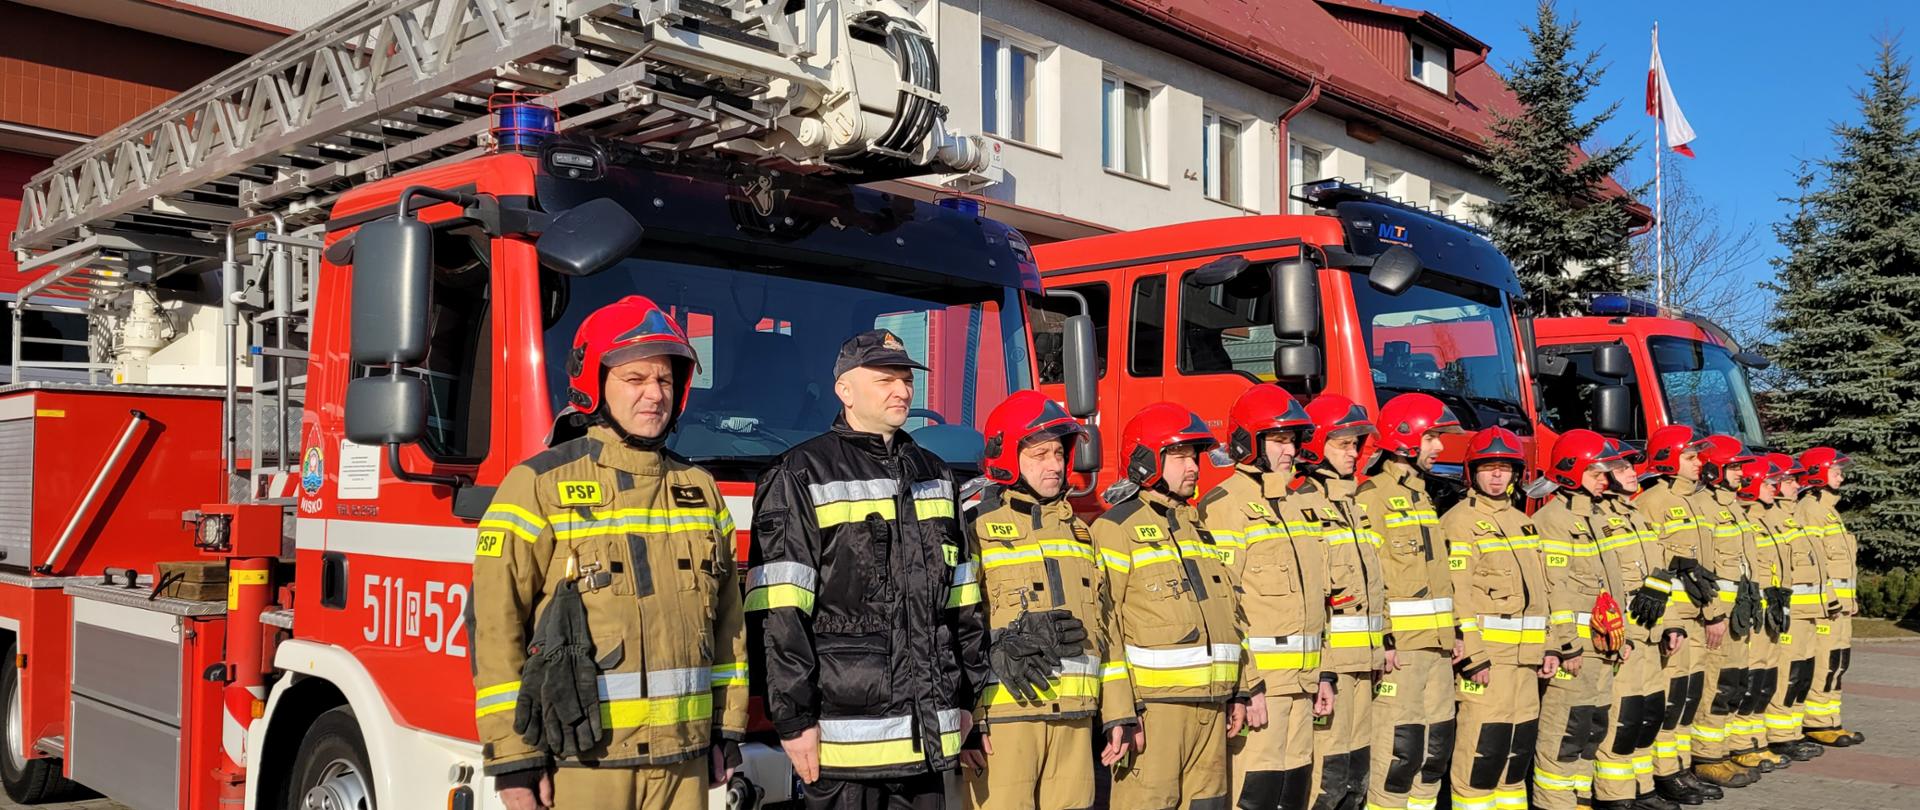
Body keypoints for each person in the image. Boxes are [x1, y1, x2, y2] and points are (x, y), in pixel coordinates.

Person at [472, 296, 747, 810]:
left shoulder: (700, 489)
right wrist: (514, 758)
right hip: (583, 761)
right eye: (635, 379)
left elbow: (728, 625)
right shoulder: (537, 484)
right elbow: (495, 625)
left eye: (665, 380)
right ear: (594, 384)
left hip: (683, 763)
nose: (654, 395)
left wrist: (727, 728)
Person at [748, 328, 988, 810]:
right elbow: (780, 612)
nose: (902, 390)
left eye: (907, 380)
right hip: (843, 745)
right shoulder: (801, 472)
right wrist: (792, 722)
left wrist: (967, 701)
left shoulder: (935, 473)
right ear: (845, 390)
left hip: (927, 738)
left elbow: (962, 598)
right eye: (885, 380)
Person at [960, 391, 1137, 810]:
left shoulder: (1081, 533)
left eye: (1059, 453)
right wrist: (964, 720)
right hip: (1003, 722)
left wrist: (1117, 713)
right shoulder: (976, 527)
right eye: (1040, 454)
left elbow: (1105, 631)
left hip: (1075, 722)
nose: (1055, 465)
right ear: (1006, 456)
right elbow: (956, 626)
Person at [1092, 402, 1244, 810]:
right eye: (1178, 455)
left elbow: (1229, 616)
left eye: (1193, 455)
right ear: (1144, 462)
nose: (1192, 466)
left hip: (1212, 709)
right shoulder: (1113, 529)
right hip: (1155, 715)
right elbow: (1107, 629)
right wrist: (1121, 712)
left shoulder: (1198, 529)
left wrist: (1242, 690)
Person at [1199, 384, 1334, 810]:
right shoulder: (1224, 506)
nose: (1289, 450)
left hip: (1304, 684)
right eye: (1278, 440)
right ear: (1248, 442)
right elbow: (1225, 607)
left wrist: (1324, 674)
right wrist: (1246, 686)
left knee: (1293, 792)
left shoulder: (1297, 505)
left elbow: (1320, 602)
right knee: (1253, 796)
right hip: (1264, 691)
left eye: (1292, 440)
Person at [1356, 393, 1462, 810]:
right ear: (1405, 438)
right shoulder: (1372, 497)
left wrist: (1453, 632)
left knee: (1432, 748)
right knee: (1397, 751)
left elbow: (1437, 576)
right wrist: (1384, 639)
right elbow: (1369, 576)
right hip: (1403, 650)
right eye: (1432, 436)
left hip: (1436, 649)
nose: (1439, 447)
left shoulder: (1421, 495)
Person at [1440, 427, 1549, 810]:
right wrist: (1473, 656)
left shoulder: (1523, 522)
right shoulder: (1459, 523)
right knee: (1481, 750)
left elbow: (1541, 594)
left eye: (1505, 468)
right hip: (1488, 661)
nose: (1497, 476)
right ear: (1473, 472)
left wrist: (1547, 648)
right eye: (1489, 468)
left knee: (1515, 749)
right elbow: (1457, 594)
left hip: (1525, 660)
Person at [1633, 426, 1736, 800]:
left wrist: (1714, 612)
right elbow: (1651, 568)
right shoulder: (1651, 502)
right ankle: (1663, 774)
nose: (1699, 463)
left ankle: (1681, 766)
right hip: (1672, 620)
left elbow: (1706, 569)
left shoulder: (1699, 501)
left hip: (1697, 615)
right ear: (1667, 459)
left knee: (1688, 698)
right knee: (1670, 696)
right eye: (1690, 457)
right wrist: (1669, 622)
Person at [1298, 393, 1387, 810]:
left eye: (1357, 444)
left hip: (1364, 664)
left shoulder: (1353, 505)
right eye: (1343, 444)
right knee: (1326, 776)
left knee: (1355, 774)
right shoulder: (1305, 505)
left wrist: (1384, 642)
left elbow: (1374, 584)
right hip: (1332, 667)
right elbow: (1311, 598)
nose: (1354, 453)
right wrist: (1324, 671)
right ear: (1316, 444)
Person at [1589, 437, 1688, 810]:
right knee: (1623, 717)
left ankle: (1642, 788)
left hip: (1652, 632)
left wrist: (1672, 623)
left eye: (1631, 466)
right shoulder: (1597, 519)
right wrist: (1621, 635)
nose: (1633, 473)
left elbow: (1659, 577)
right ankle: (1615, 796)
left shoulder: (1635, 515)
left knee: (1648, 714)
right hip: (1625, 635)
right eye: (1623, 468)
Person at [1684, 436, 1765, 785]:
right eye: (1734, 467)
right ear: (1715, 468)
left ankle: (1724, 749)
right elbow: (1704, 567)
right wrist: (1713, 613)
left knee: (1733, 684)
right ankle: (1706, 757)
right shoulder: (1702, 506)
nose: (1740, 474)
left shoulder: (1733, 507)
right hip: (1719, 615)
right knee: (1715, 685)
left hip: (1740, 613)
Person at [1796, 447, 1867, 748]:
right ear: (1817, 475)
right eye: (1835, 471)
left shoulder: (1829, 510)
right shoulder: (1810, 510)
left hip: (1840, 607)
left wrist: (1850, 600)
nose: (1841, 476)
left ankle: (1830, 719)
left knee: (1838, 663)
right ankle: (1816, 723)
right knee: (1824, 662)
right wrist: (1830, 599)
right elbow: (1813, 561)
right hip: (1826, 607)